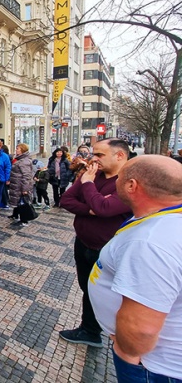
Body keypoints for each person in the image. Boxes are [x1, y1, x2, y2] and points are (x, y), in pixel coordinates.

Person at [88, 155, 182, 381]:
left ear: (132, 186)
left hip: (153, 367)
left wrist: (126, 353)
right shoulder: (162, 222)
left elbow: (142, 328)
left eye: (121, 177)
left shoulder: (151, 242)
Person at [59, 138, 132, 347]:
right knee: (87, 288)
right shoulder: (93, 174)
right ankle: (89, 330)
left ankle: (108, 333)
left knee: (104, 292)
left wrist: (89, 187)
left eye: (99, 155)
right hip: (83, 242)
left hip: (107, 249)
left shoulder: (128, 181)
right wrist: (90, 207)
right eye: (94, 154)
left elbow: (105, 208)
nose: (94, 158)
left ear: (120, 156)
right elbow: (67, 200)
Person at [6, 143, 35, 227]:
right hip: (16, 184)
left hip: (20, 185)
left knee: (22, 202)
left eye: (18, 148)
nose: (16, 150)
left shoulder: (24, 161)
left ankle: (24, 219)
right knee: (17, 201)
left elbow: (26, 176)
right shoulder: (19, 159)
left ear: (22, 150)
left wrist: (25, 189)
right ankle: (15, 214)